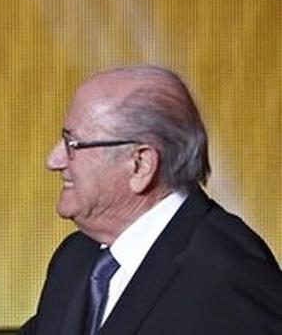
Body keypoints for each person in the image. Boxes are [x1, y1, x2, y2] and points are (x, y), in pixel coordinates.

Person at [19, 66, 282, 335]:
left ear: (140, 165)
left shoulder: (226, 276)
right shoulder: (75, 258)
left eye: (72, 144)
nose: (53, 160)